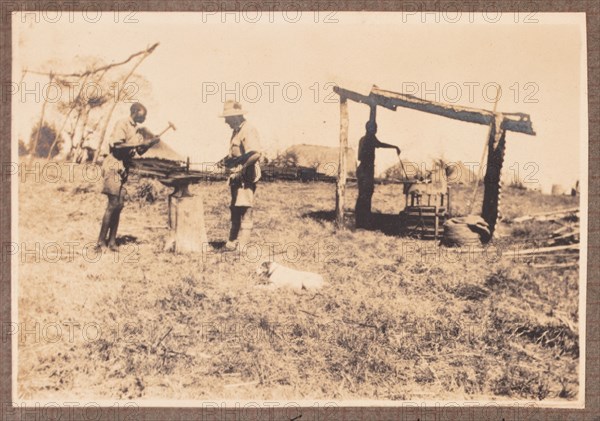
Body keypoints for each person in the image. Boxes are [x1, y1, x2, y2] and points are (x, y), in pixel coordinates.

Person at [96, 103, 157, 251]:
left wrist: (150, 144)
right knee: (113, 204)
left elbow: (138, 151)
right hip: (113, 165)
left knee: (119, 205)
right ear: (135, 112)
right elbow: (117, 146)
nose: (145, 117)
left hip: (123, 168)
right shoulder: (122, 123)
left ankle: (111, 242)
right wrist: (140, 143)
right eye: (143, 114)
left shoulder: (137, 131)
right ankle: (100, 242)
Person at [217, 100, 262, 251]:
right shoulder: (236, 131)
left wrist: (241, 169)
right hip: (236, 178)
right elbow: (237, 154)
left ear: (236, 117)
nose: (225, 122)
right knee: (235, 209)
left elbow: (255, 153)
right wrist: (225, 160)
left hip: (245, 177)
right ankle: (231, 243)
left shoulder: (248, 130)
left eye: (227, 118)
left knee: (245, 210)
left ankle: (242, 247)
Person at [355, 120, 401, 229]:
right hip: (365, 170)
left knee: (363, 195)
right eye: (374, 128)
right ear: (370, 129)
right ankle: (362, 222)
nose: (376, 130)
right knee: (365, 195)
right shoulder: (369, 138)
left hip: (363, 169)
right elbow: (380, 144)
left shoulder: (363, 138)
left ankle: (360, 221)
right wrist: (395, 147)